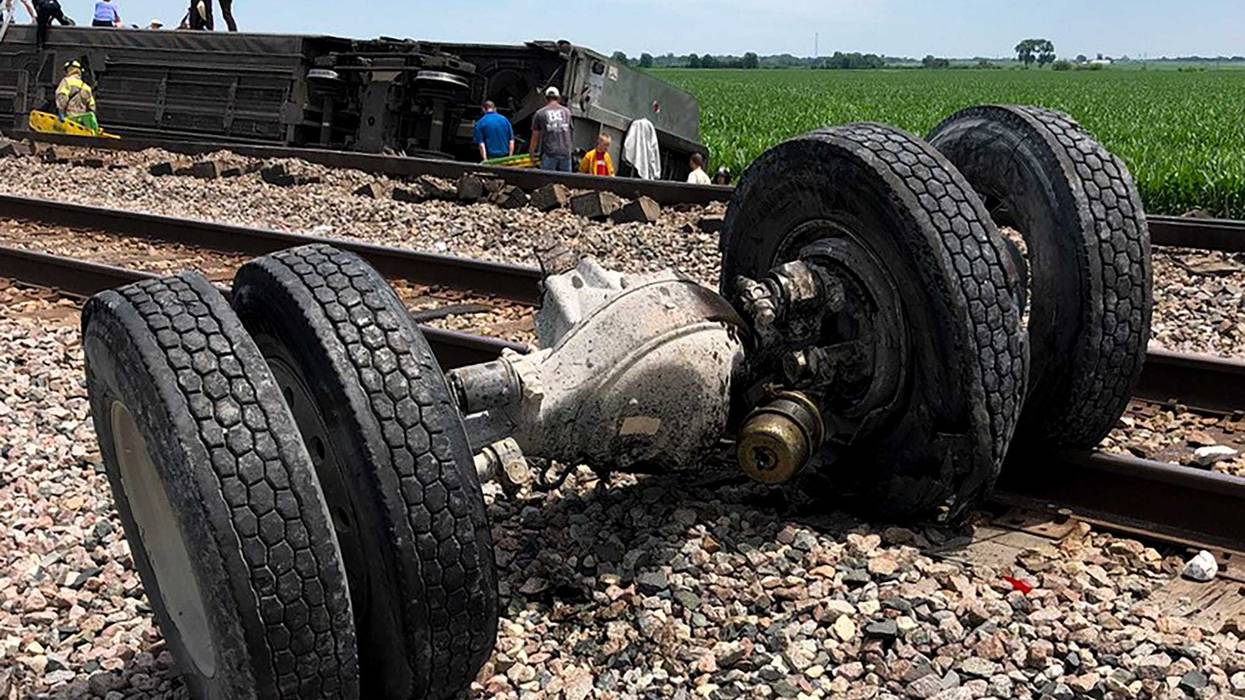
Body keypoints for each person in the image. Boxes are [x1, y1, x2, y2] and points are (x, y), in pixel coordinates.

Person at [531, 86, 573, 172]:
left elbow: (535, 137)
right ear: (558, 98)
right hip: (565, 153)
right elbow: (570, 132)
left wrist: (531, 153)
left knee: (547, 179)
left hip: (550, 153)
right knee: (566, 179)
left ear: (545, 98)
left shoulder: (540, 113)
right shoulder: (567, 112)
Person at [56, 60, 99, 133]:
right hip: (82, 121)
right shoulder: (86, 87)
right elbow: (92, 106)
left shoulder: (66, 81)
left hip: (69, 119)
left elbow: (62, 96)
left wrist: (61, 112)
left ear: (67, 70)